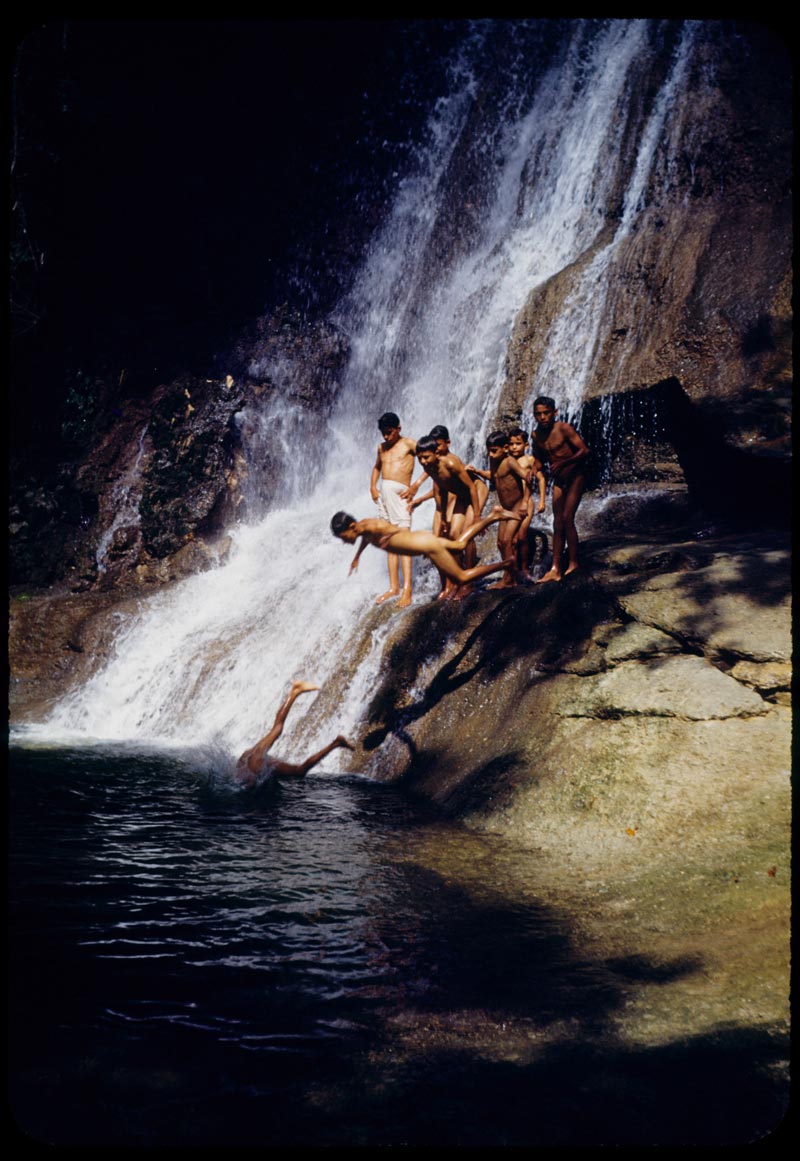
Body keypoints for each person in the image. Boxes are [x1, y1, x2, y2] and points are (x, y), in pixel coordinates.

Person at [330, 505, 517, 592]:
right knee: (459, 544)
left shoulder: (372, 527)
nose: (344, 541)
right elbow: (365, 538)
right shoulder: (363, 529)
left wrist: (391, 534)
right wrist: (357, 556)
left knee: (461, 577)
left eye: (343, 537)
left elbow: (383, 528)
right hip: (423, 539)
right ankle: (494, 516)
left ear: (352, 527)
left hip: (427, 546)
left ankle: (505, 564)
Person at [236, 680, 354, 787]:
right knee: (277, 729)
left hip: (253, 763)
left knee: (299, 771)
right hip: (252, 758)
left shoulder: (245, 776)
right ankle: (295, 691)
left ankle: (336, 743)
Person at [411, 434, 484, 599]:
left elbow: (472, 487)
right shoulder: (428, 467)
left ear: (436, 453)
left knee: (467, 534)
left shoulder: (451, 463)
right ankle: (459, 580)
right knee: (452, 538)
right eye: (420, 458)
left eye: (426, 457)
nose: (423, 461)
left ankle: (469, 583)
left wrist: (478, 516)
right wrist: (444, 517)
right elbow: (442, 490)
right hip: (461, 496)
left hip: (476, 491)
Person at [530, 396, 590, 582]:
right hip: (559, 480)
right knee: (557, 522)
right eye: (538, 414)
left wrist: (565, 462)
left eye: (546, 413)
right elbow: (539, 458)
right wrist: (534, 468)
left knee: (567, 518)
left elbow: (584, 450)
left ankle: (573, 563)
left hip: (575, 477)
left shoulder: (564, 428)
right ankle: (555, 568)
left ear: (554, 413)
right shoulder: (535, 435)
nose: (543, 417)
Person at [467, 431, 530, 588]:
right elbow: (495, 476)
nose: (491, 454)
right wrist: (478, 472)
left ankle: (511, 578)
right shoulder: (494, 461)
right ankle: (509, 574)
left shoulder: (510, 462)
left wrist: (525, 502)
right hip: (504, 508)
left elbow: (528, 477)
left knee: (508, 540)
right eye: (489, 450)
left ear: (506, 447)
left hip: (516, 506)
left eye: (494, 450)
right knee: (501, 543)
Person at [370, 412, 418, 608]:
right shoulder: (381, 447)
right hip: (384, 495)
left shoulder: (409, 444)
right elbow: (376, 467)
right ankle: (394, 587)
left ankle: (407, 589)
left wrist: (416, 486)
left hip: (400, 495)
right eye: (383, 434)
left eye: (389, 433)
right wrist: (373, 486)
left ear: (399, 428)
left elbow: (431, 459)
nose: (386, 437)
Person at [507, 427, 546, 578]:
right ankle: (514, 567)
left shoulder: (529, 460)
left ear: (526, 445)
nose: (514, 447)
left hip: (527, 502)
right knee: (513, 539)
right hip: (513, 504)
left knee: (522, 536)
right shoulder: (507, 461)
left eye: (518, 443)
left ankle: (525, 568)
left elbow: (541, 479)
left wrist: (542, 500)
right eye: (511, 444)